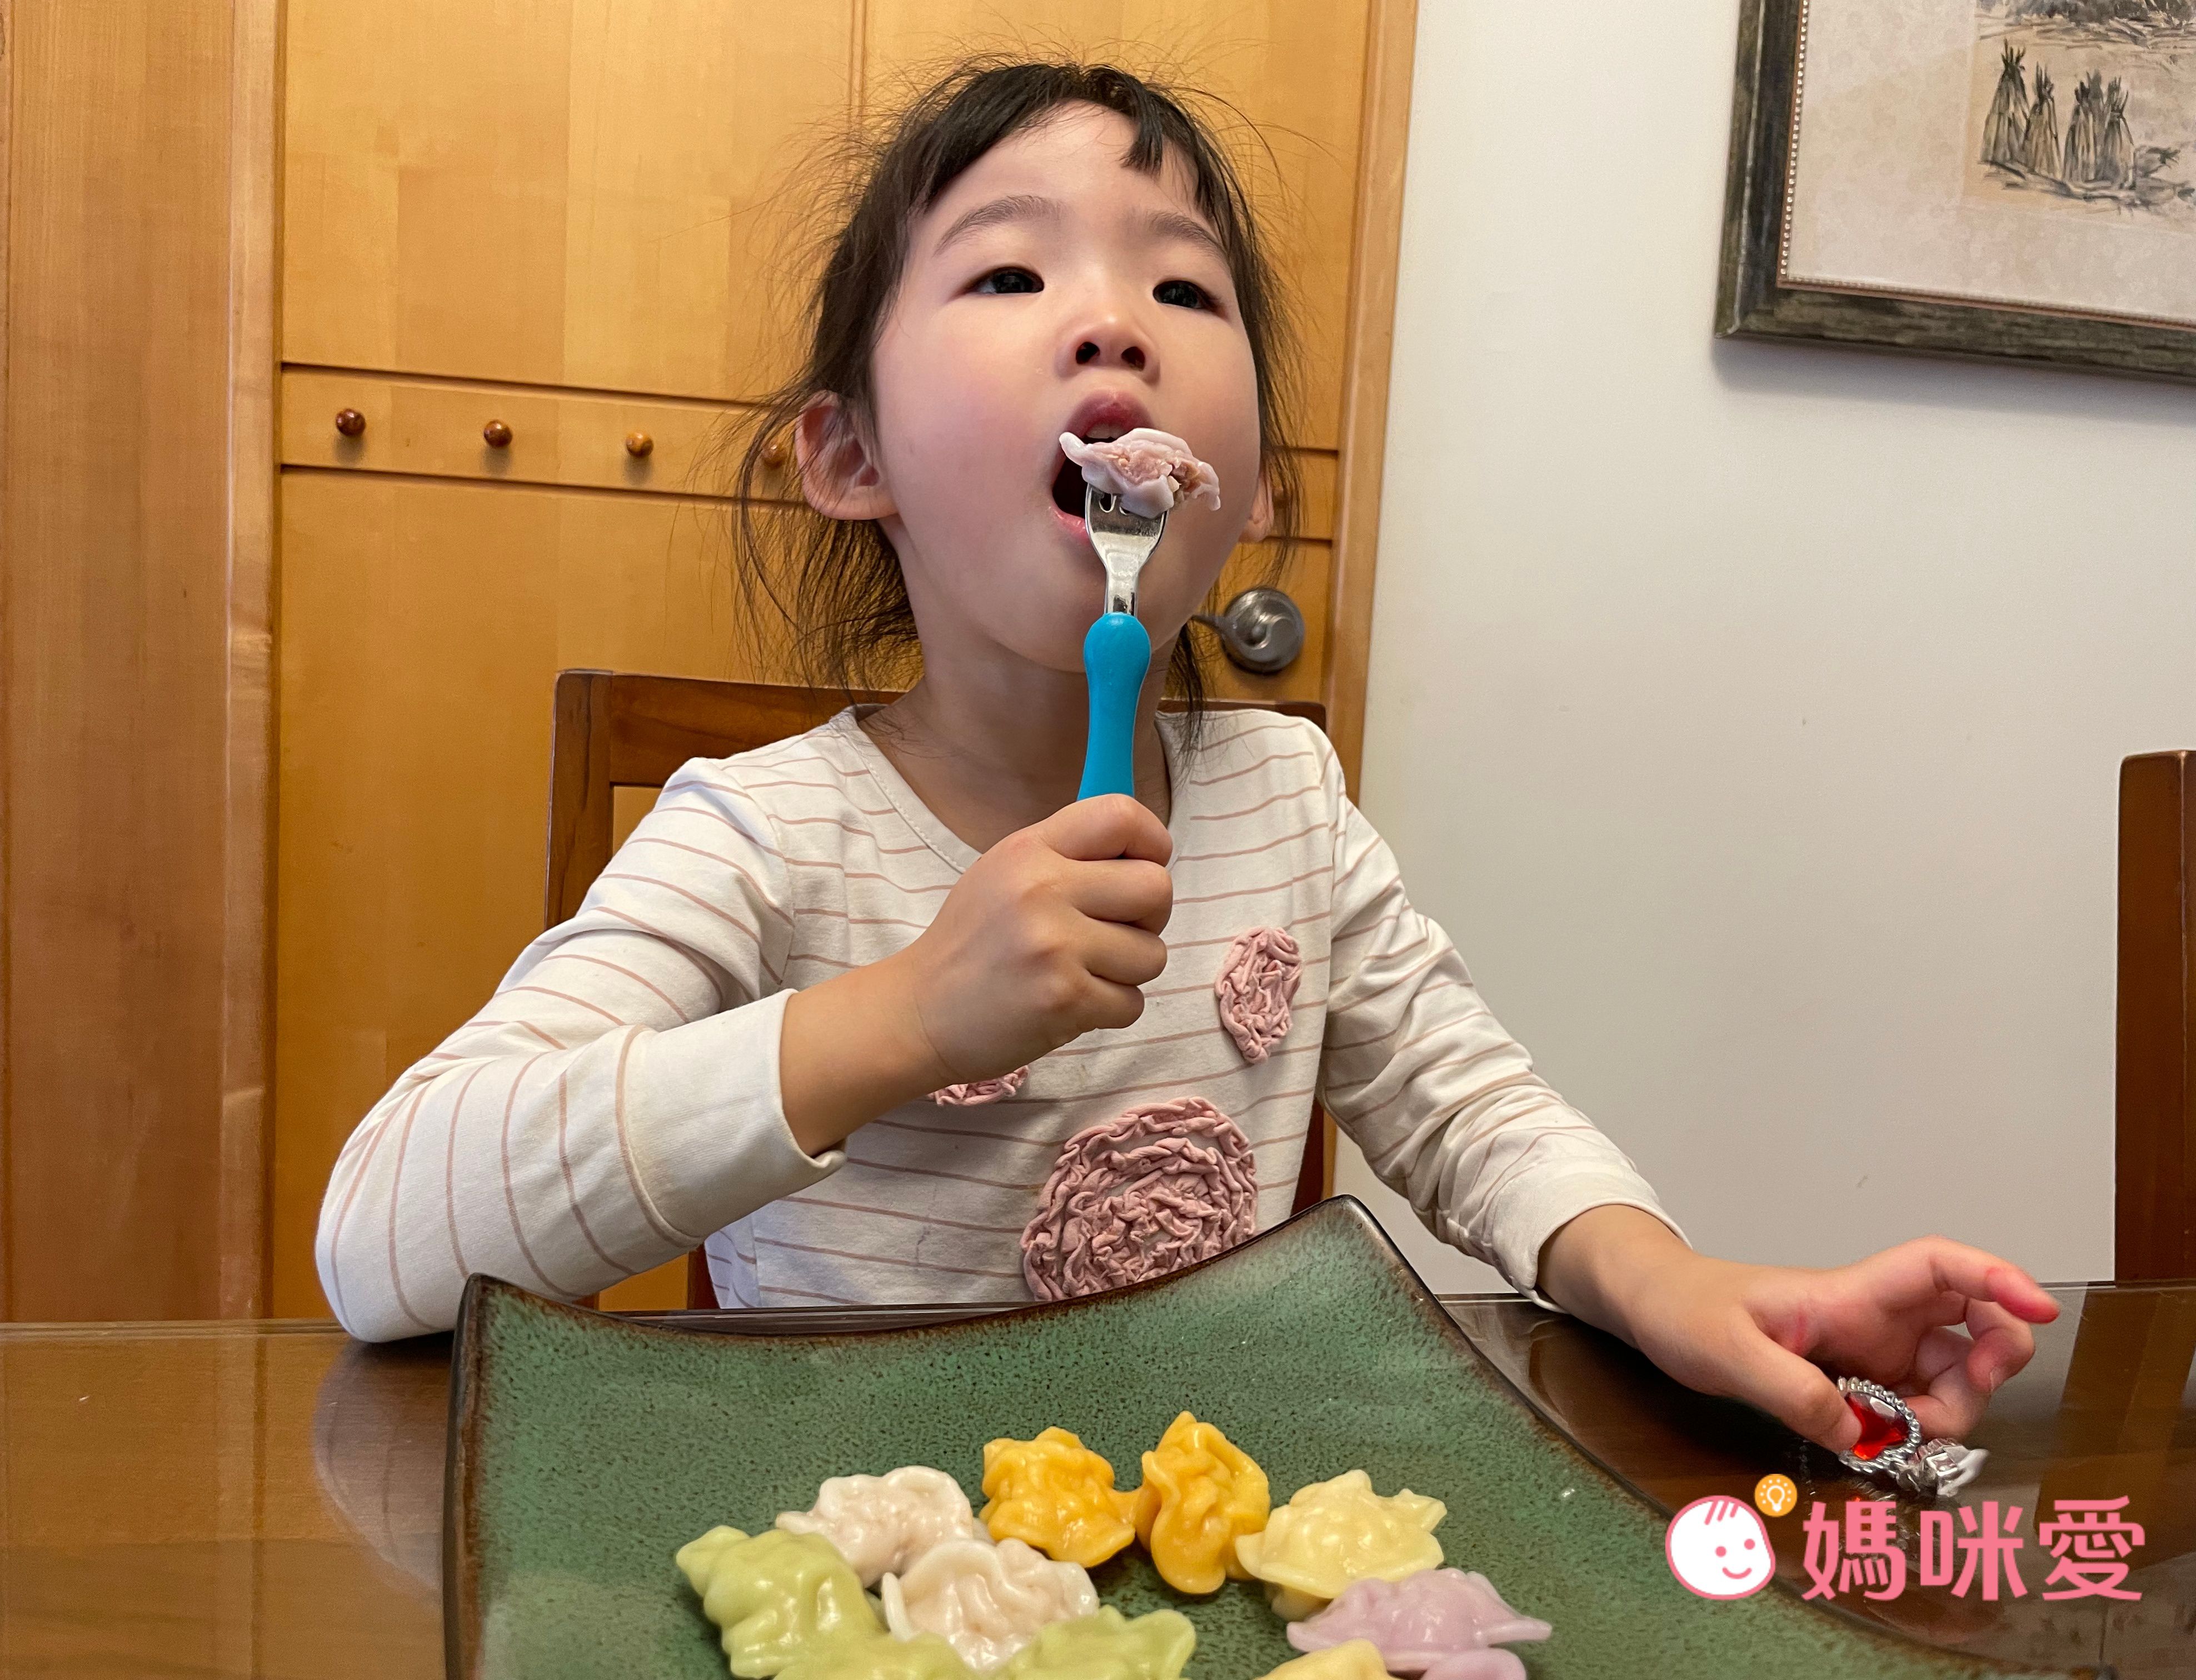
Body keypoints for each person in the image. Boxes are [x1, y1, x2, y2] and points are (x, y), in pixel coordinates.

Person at [316, 60, 2055, 1459]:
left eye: (1182, 283)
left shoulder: (1284, 804)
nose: (1113, 325)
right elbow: (384, 1238)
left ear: (1258, 494)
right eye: (1010, 272)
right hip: (843, 1548)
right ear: (849, 459)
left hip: (1201, 1521)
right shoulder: (767, 840)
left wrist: (1667, 1282)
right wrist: (894, 1020)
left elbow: (1468, 1113)